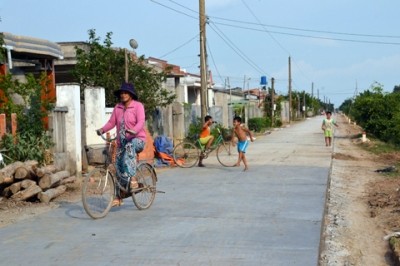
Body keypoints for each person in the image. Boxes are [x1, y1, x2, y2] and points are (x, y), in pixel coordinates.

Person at [96, 82, 146, 207]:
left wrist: (134, 130)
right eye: (121, 93)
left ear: (131, 94)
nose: (123, 95)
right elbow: (111, 122)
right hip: (122, 142)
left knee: (130, 148)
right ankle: (118, 197)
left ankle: (133, 179)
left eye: (126, 93)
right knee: (118, 166)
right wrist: (102, 130)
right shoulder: (118, 108)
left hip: (137, 139)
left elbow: (141, 121)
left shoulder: (138, 106)